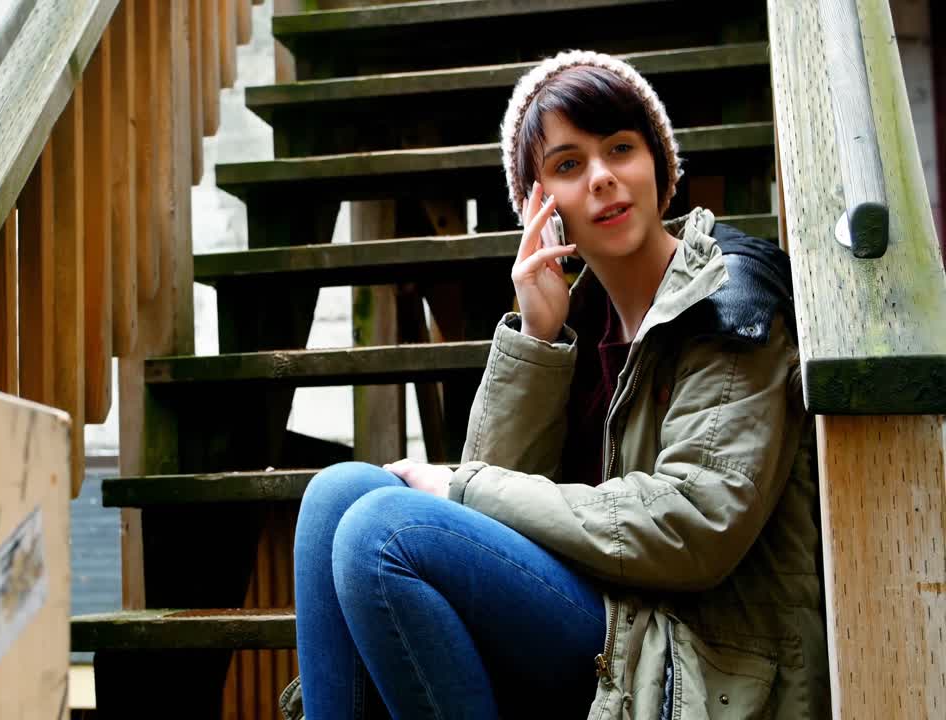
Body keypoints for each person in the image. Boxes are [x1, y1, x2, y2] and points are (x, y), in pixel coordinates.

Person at [280, 50, 828, 720]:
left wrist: (461, 483)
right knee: (336, 493)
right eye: (568, 164)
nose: (602, 178)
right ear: (540, 205)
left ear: (661, 165)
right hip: (603, 624)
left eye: (621, 148)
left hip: (693, 661)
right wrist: (537, 342)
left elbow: (694, 526)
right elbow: (480, 524)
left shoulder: (728, 300)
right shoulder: (580, 320)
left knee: (382, 533)